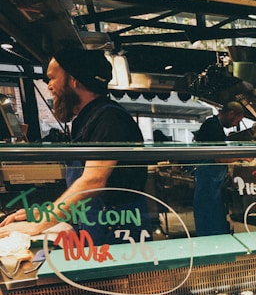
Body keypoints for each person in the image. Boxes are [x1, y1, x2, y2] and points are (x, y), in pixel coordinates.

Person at [0, 48, 148, 244]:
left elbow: (92, 181)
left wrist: (38, 224)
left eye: (52, 78)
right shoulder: (89, 118)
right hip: (99, 229)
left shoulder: (109, 119)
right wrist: (45, 212)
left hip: (119, 235)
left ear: (74, 79)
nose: (49, 86)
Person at [192, 101, 245, 236]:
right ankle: (212, 248)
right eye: (236, 121)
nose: (235, 125)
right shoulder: (212, 126)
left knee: (213, 216)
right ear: (231, 114)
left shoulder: (214, 125)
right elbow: (219, 158)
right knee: (210, 218)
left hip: (212, 180)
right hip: (209, 180)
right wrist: (242, 157)